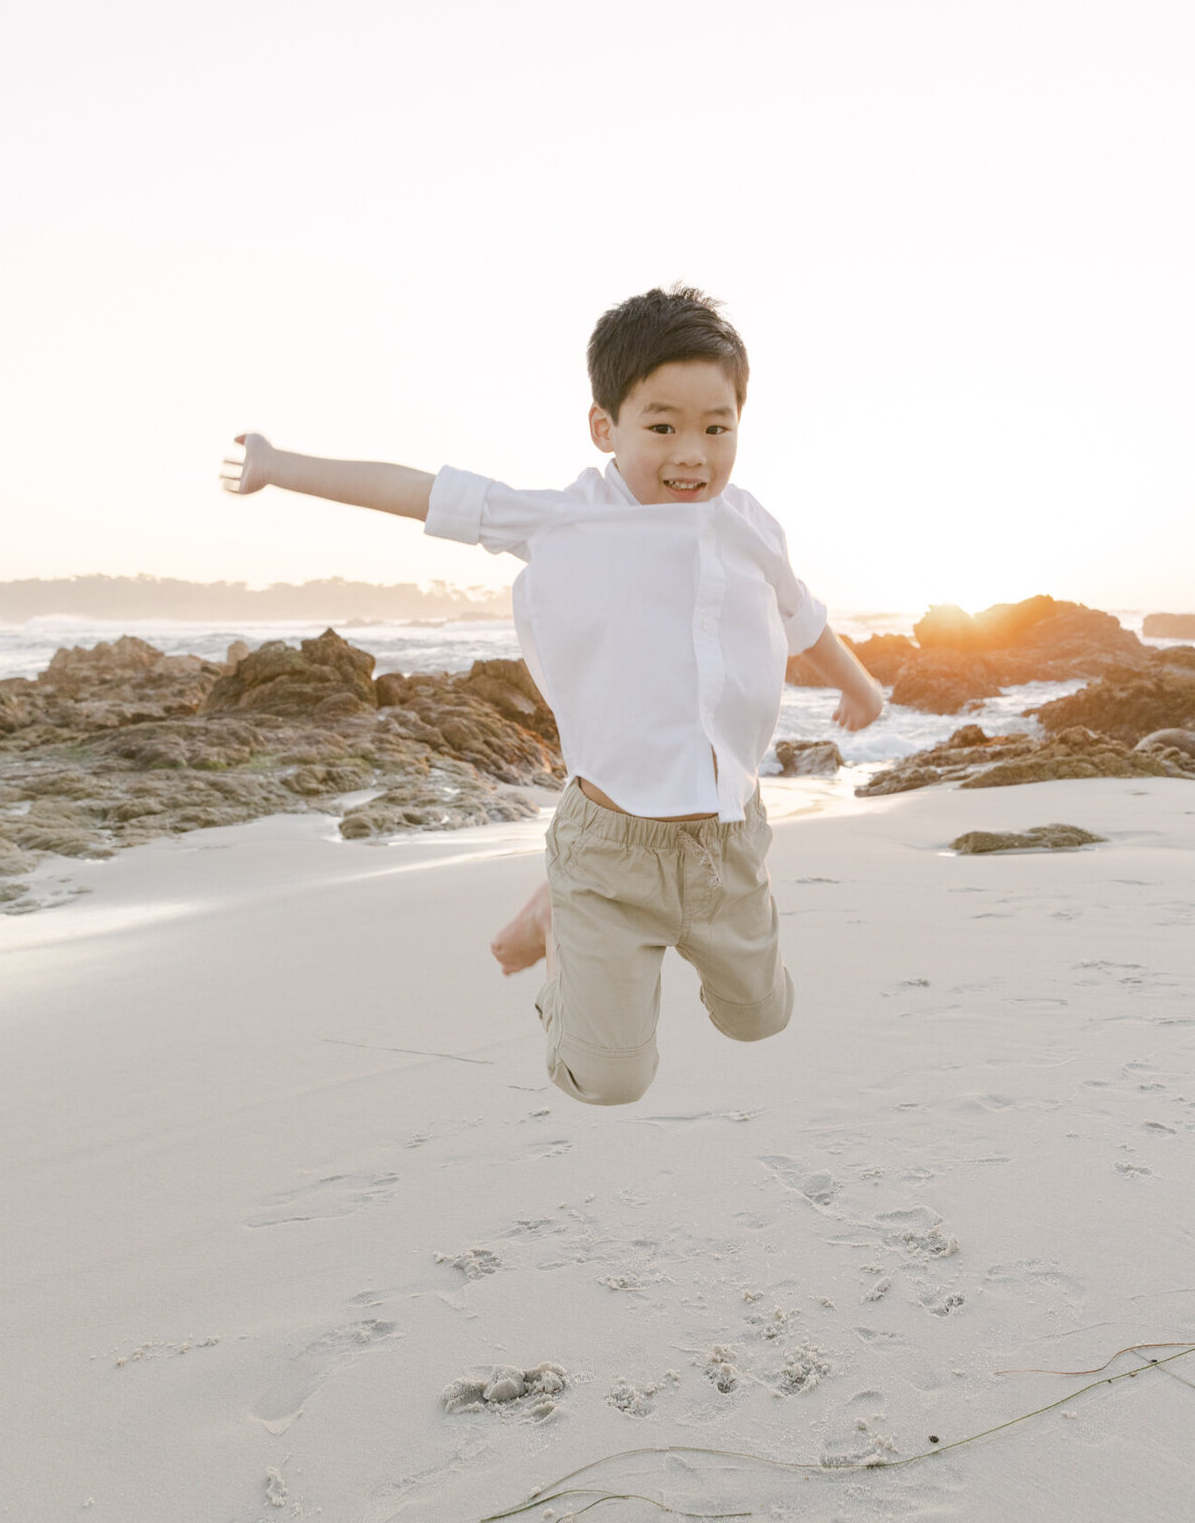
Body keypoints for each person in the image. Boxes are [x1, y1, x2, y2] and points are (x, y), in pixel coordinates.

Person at [221, 284, 883, 1105]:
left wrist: (860, 687)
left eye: (718, 427)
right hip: (611, 848)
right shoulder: (563, 520)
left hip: (729, 841)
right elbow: (416, 491)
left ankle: (552, 906)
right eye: (663, 426)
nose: (693, 454)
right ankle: (564, 915)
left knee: (760, 1019)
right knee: (607, 1082)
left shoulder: (751, 525)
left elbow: (802, 612)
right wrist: (278, 466)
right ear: (606, 428)